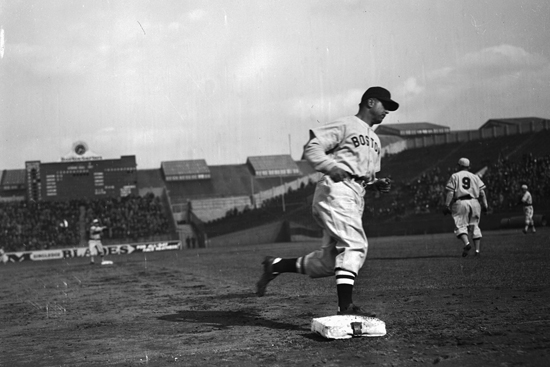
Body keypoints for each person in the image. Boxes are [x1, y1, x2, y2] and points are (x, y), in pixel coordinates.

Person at [255, 86, 398, 317]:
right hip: (336, 191)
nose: (387, 112)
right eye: (385, 105)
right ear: (370, 102)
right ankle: (345, 307)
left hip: (354, 194)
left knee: (329, 262)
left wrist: (375, 184)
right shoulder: (346, 124)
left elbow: (360, 174)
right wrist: (330, 167)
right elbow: (312, 147)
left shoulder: (375, 139)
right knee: (354, 245)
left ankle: (276, 265)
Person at [443, 158, 488, 257]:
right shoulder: (475, 176)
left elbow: (450, 192)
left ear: (459, 165)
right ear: (468, 166)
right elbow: (482, 193)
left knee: (460, 226)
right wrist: (485, 205)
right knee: (475, 225)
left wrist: (447, 205)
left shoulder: (455, 176)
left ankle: (467, 244)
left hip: (461, 202)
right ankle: (477, 251)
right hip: (475, 202)